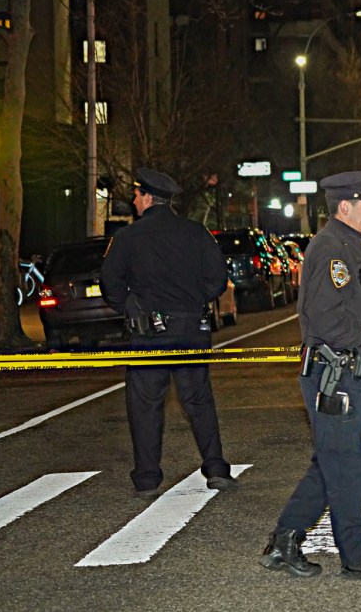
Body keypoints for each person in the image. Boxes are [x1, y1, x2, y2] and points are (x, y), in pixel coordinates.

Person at [259, 171, 361, 582]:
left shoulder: (346, 245)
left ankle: (284, 544)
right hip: (333, 372)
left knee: (331, 463)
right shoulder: (332, 249)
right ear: (345, 206)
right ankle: (356, 556)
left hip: (342, 372)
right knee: (349, 467)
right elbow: (324, 315)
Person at [99, 167, 236, 500]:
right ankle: (216, 469)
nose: (133, 200)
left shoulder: (129, 237)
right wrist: (193, 301)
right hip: (190, 328)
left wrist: (131, 306)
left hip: (148, 333)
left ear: (147, 197)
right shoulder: (196, 232)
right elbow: (217, 280)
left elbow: (110, 284)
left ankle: (147, 477)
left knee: (146, 404)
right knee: (199, 400)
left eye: (135, 195)